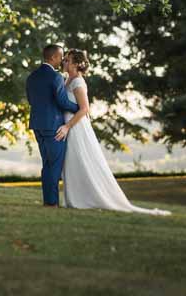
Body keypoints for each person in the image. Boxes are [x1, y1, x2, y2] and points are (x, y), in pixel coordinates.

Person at [60, 49, 170, 215]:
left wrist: (68, 126)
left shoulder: (78, 82)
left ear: (76, 64)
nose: (64, 63)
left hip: (76, 126)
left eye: (67, 60)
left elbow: (84, 109)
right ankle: (74, 198)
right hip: (67, 124)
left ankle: (85, 199)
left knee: (79, 159)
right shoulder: (67, 79)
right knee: (71, 161)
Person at [25, 44, 80, 207]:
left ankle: (48, 201)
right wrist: (80, 108)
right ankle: (51, 203)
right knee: (54, 166)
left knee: (47, 164)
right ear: (54, 57)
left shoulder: (32, 77)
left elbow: (30, 100)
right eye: (61, 57)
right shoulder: (56, 77)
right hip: (54, 126)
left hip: (37, 125)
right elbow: (62, 102)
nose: (62, 60)